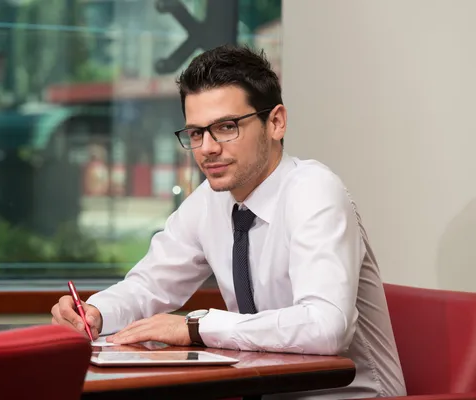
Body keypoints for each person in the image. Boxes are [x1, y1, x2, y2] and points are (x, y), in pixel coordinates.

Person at [51, 44, 406, 399]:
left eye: (226, 127)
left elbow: (326, 327)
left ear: (276, 122)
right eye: (195, 133)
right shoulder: (210, 201)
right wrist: (97, 312)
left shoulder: (314, 192)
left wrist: (195, 327)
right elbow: (150, 285)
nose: (207, 148)